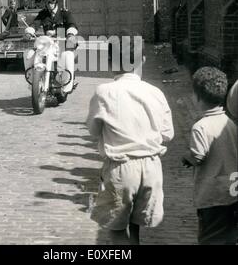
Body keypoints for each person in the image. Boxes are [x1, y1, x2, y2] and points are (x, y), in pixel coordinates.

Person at [86, 39, 174, 245]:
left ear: (109, 62)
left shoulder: (104, 91)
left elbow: (93, 130)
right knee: (135, 225)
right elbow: (168, 134)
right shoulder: (156, 92)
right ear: (143, 59)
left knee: (116, 230)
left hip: (121, 168)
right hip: (152, 168)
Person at [182, 67, 238, 245]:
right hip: (233, 190)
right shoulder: (230, 123)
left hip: (212, 193)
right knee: (229, 234)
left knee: (210, 238)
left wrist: (187, 158)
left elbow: (198, 156)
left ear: (197, 98)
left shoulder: (201, 126)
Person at [24, 0, 78, 94]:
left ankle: (67, 84)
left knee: (68, 56)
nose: (50, 4)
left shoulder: (64, 13)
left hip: (62, 43)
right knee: (29, 54)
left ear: (56, 0)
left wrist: (71, 34)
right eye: (47, 2)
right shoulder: (43, 14)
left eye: (52, 1)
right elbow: (35, 24)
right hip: (48, 44)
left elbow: (72, 24)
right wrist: (29, 32)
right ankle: (32, 82)